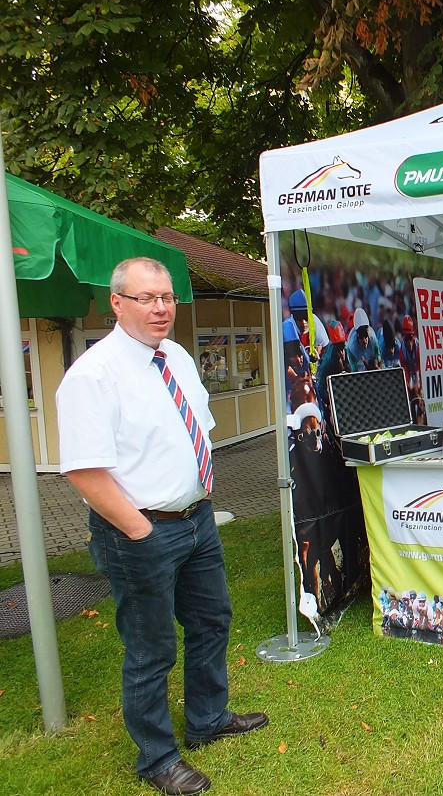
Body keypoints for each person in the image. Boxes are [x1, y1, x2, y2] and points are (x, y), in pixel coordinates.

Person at [55, 258, 268, 796]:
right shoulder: (93, 375)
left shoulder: (174, 356)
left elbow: (193, 429)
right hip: (141, 531)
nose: (161, 308)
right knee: (151, 649)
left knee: (211, 622)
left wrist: (201, 497)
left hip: (197, 520)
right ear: (118, 304)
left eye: (167, 298)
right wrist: (138, 529)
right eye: (147, 299)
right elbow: (83, 468)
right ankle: (157, 759)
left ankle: (208, 719)